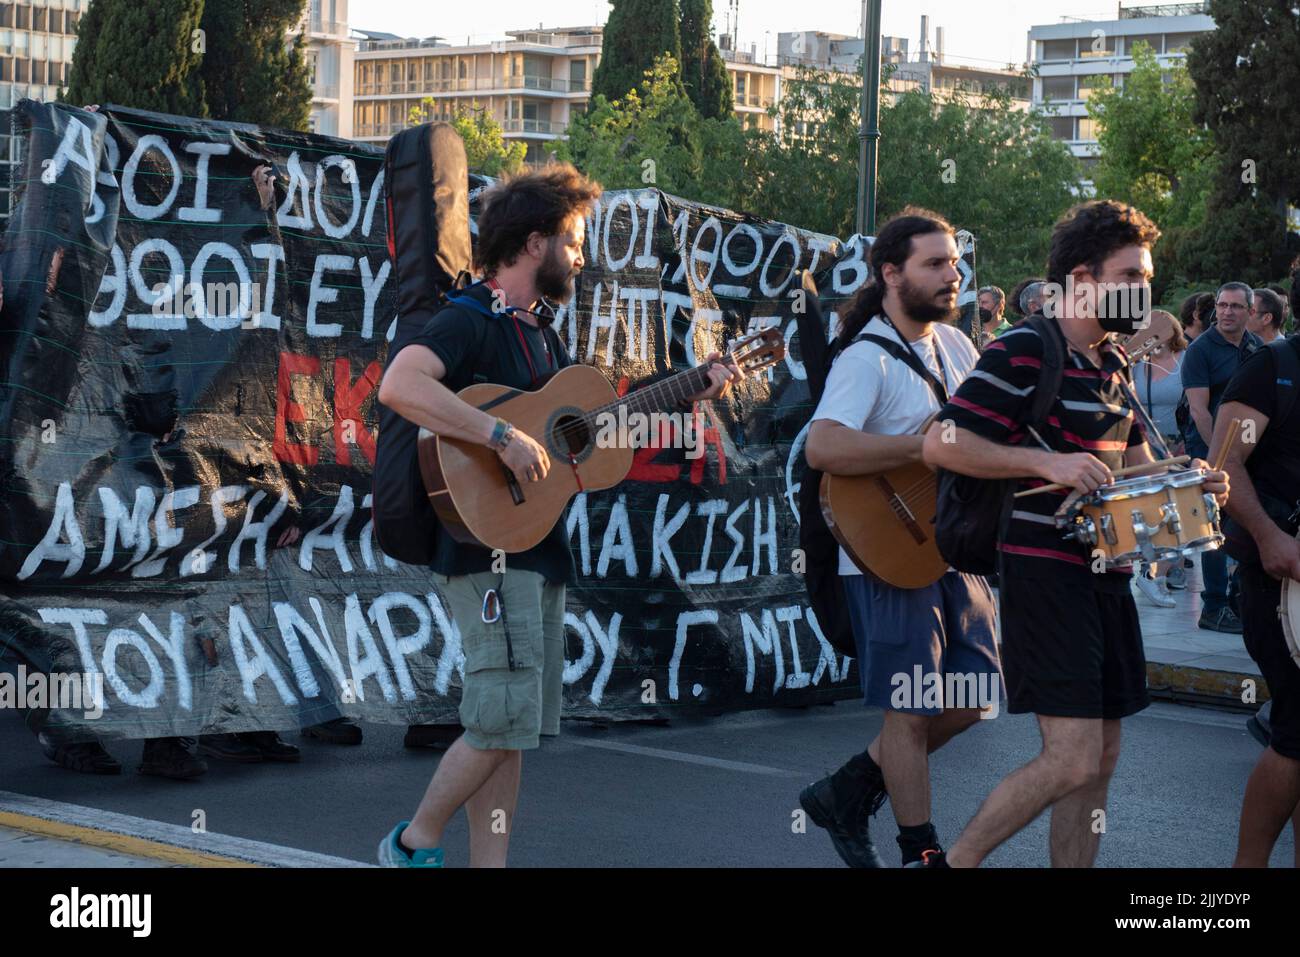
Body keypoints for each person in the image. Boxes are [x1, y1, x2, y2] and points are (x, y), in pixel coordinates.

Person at [374, 164, 739, 868]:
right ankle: (411, 843)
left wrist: (689, 390)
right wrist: (500, 437)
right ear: (534, 243)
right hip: (486, 551)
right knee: (496, 719)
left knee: (512, 729)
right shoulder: (467, 318)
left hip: (535, 545)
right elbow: (400, 384)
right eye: (573, 241)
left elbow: (581, 439)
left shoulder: (543, 338)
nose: (581, 256)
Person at [921, 199, 1230, 868]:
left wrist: (1194, 479)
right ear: (1085, 278)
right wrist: (1044, 460)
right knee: (1070, 757)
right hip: (1043, 570)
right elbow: (940, 443)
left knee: (1101, 757)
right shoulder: (1026, 347)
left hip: (1107, 572)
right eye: (1132, 275)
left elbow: (1136, 468)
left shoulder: (1110, 360)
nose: (1144, 292)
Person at [799, 208, 1000, 868]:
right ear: (892, 272)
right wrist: (923, 448)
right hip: (887, 551)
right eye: (935, 263)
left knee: (973, 698)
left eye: (955, 262)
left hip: (951, 546)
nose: (954, 274)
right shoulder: (865, 356)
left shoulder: (959, 347)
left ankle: (848, 787)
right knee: (909, 712)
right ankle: (922, 851)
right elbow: (824, 446)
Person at [1210, 332, 1300, 867]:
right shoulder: (1273, 368)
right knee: (1296, 729)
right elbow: (1224, 463)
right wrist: (1270, 537)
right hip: (1280, 582)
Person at [1181, 282, 1262, 633]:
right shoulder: (1201, 350)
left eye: (1235, 307)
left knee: (1241, 524)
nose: (1227, 312)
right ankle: (1213, 606)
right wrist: (1220, 458)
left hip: (1246, 452)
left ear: (1250, 312)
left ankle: (1235, 599)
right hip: (1208, 450)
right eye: (1222, 305)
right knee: (1211, 526)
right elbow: (1199, 411)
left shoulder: (1255, 347)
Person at [1131, 309, 1190, 603]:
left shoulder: (1185, 361)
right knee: (1149, 511)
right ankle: (1149, 573)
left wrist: (1186, 442)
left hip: (1178, 446)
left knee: (1174, 509)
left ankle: (1163, 573)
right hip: (1144, 446)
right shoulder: (1136, 365)